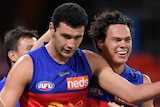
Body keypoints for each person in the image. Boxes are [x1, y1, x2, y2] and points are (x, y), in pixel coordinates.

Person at [1, 2, 160, 107]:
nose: (71, 45)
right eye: (66, 37)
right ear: (52, 29)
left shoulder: (90, 61)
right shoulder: (27, 65)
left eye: (78, 37)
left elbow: (132, 94)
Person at [87, 10, 154, 107]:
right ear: (100, 42)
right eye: (117, 40)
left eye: (127, 40)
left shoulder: (143, 82)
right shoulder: (85, 76)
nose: (123, 45)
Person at [0, 26, 38, 107]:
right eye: (30, 49)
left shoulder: (47, 87)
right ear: (12, 56)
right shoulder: (1, 90)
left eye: (38, 49)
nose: (38, 54)